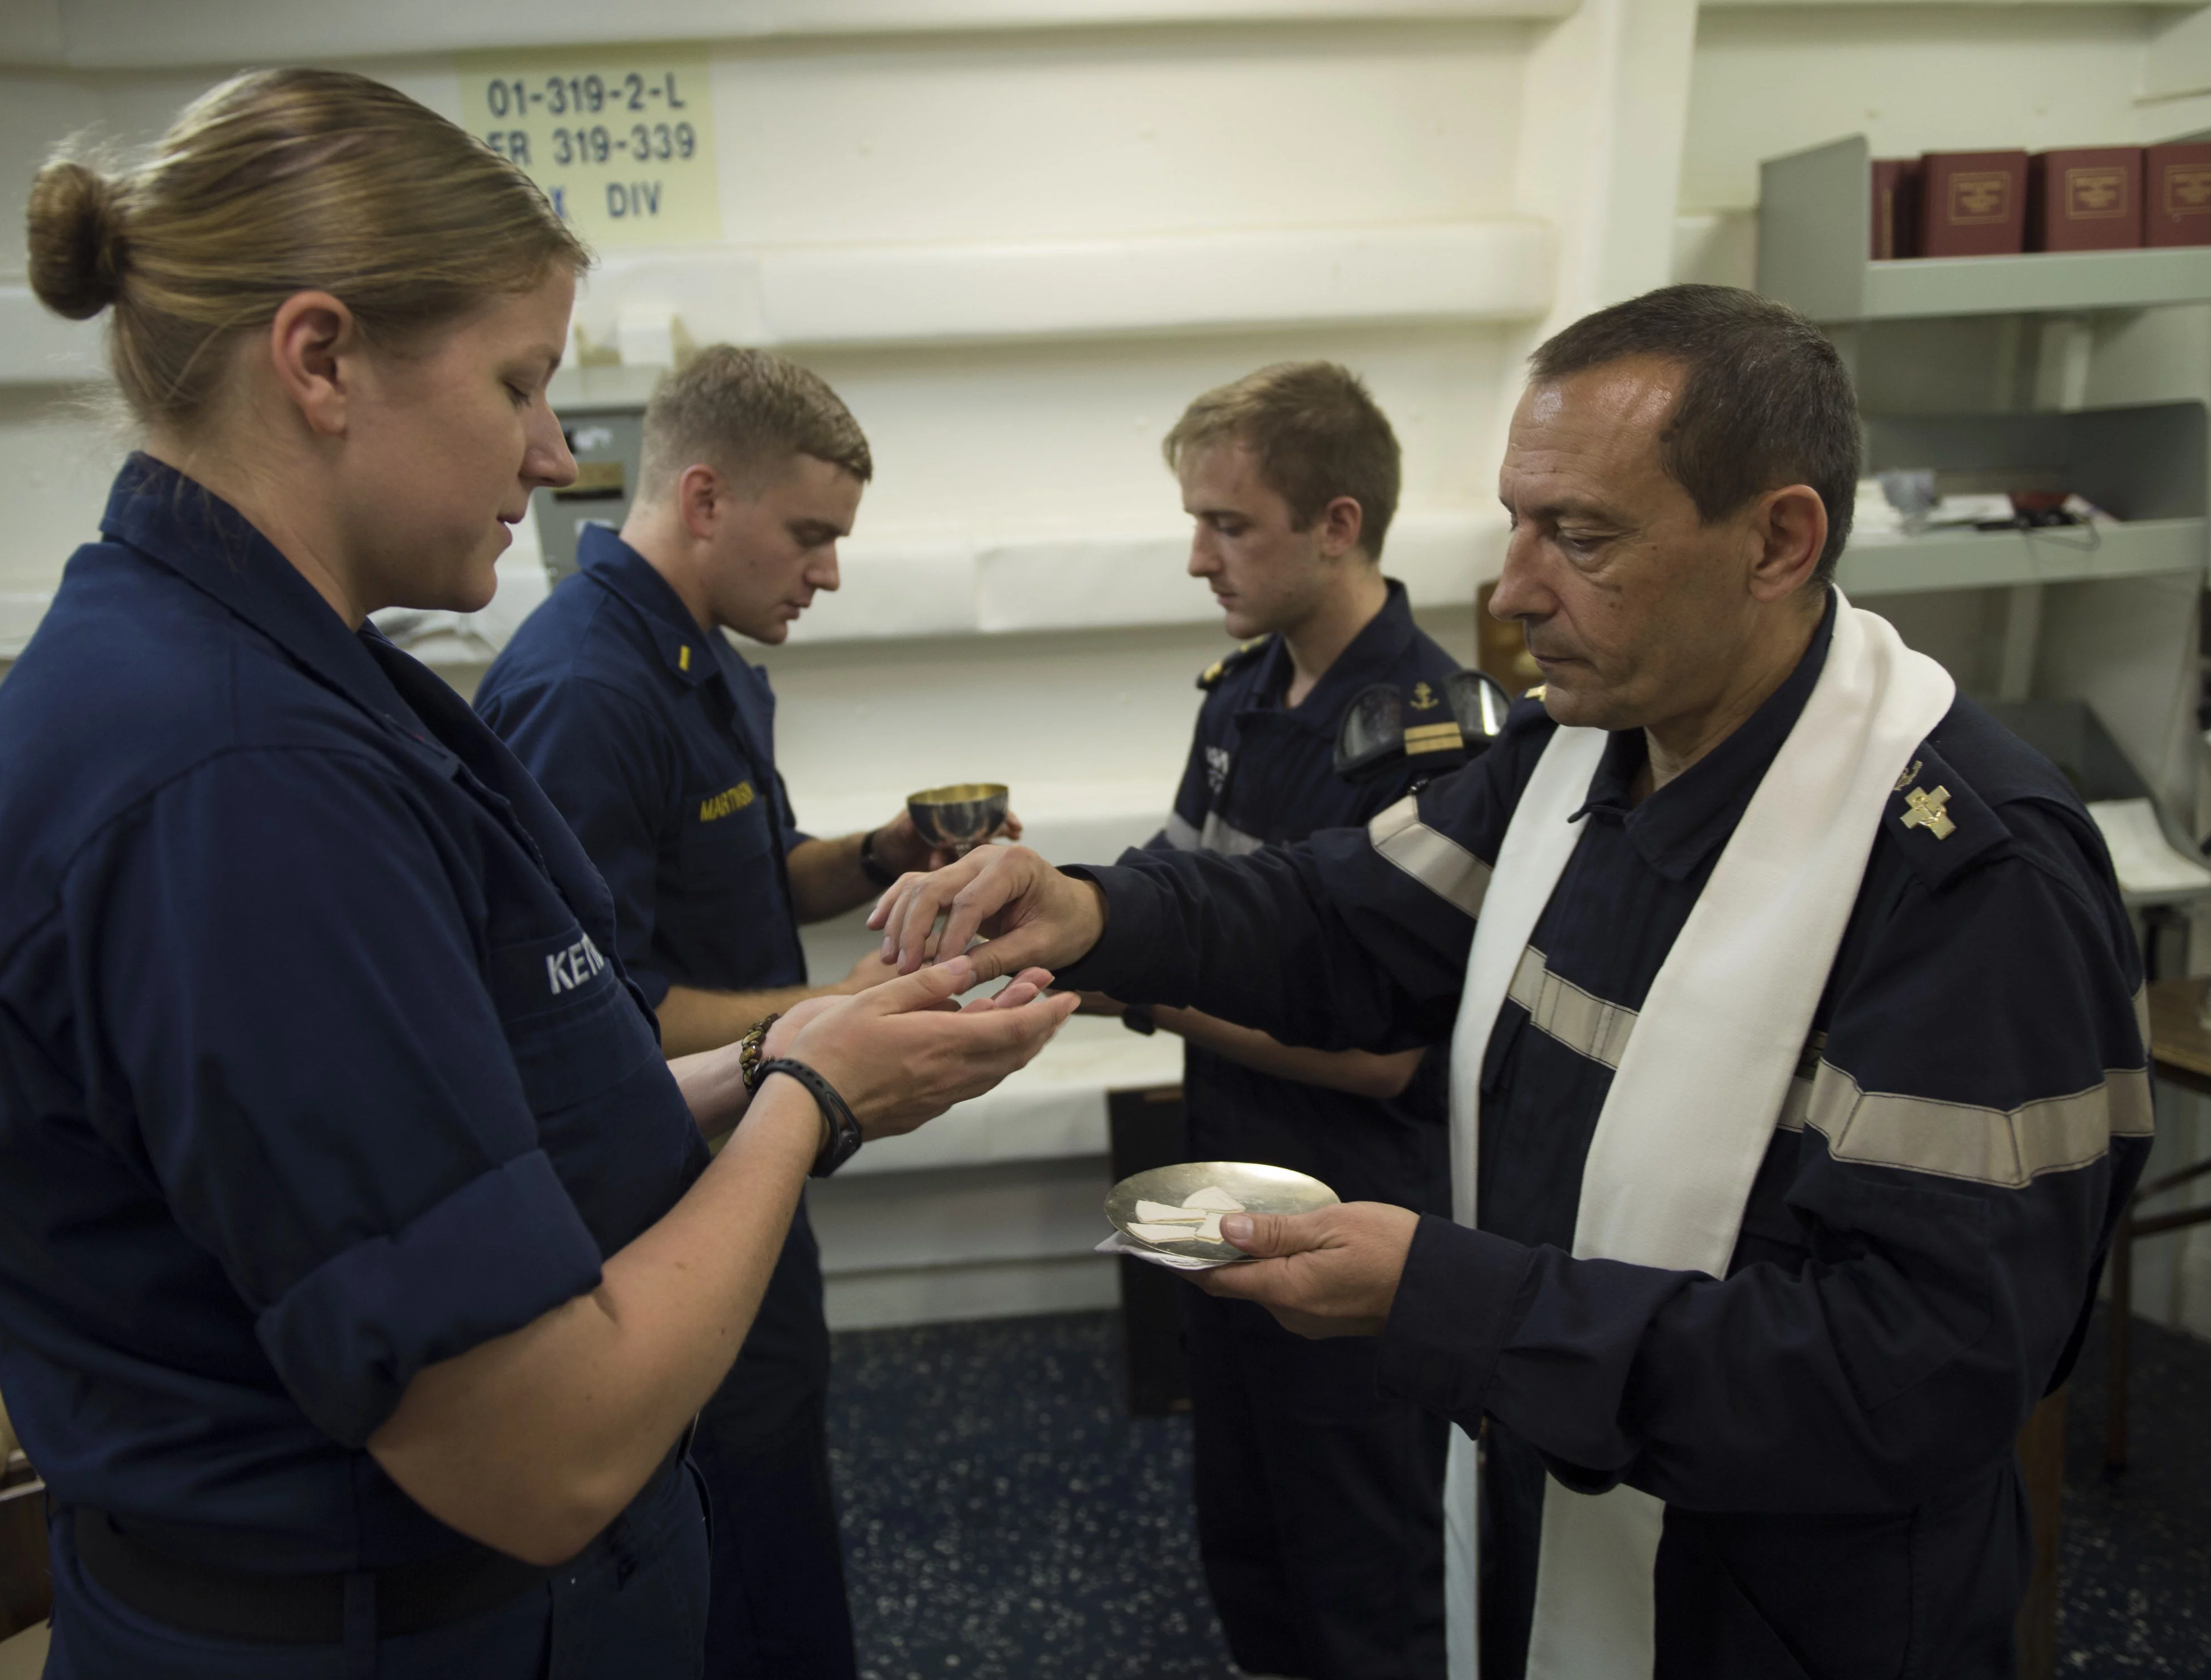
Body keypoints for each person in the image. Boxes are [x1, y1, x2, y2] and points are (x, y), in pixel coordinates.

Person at [0, 68, 1076, 1680]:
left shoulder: (277, 681)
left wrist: (781, 1055)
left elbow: (487, 1139)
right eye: (519, 382)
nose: (550, 453)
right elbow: (539, 1451)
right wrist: (813, 1100)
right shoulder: (244, 778)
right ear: (321, 360)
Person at [870, 284, 2150, 1680]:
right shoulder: (1579, 751)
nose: (1513, 591)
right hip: (1550, 1488)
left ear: (1777, 541)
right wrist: (1089, 910)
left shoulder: (1970, 881)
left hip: (1784, 1607)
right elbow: (1336, 917)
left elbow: (1918, 1369)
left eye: (1580, 538)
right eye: (1516, 524)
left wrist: (1451, 1302)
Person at [474, 347, 991, 1678]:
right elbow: (595, 1019)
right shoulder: (584, 695)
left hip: (751, 1144)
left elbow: (750, 878)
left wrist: (879, 856)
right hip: (656, 1204)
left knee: (781, 1497)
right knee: (739, 1535)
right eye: (811, 535)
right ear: (704, 498)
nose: (829, 574)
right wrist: (842, 1014)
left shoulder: (704, 655)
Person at [1106, 361, 1457, 1680]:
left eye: (1228, 525)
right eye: (1195, 522)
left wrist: (1132, 985)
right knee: (1246, 1540)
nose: (1198, 558)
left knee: (1361, 1571)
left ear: (1336, 526)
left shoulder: (1427, 740)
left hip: (1349, 1213)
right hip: (1222, 1185)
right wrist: (1052, 910)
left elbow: (1380, 1057)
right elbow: (1171, 879)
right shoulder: (1242, 691)